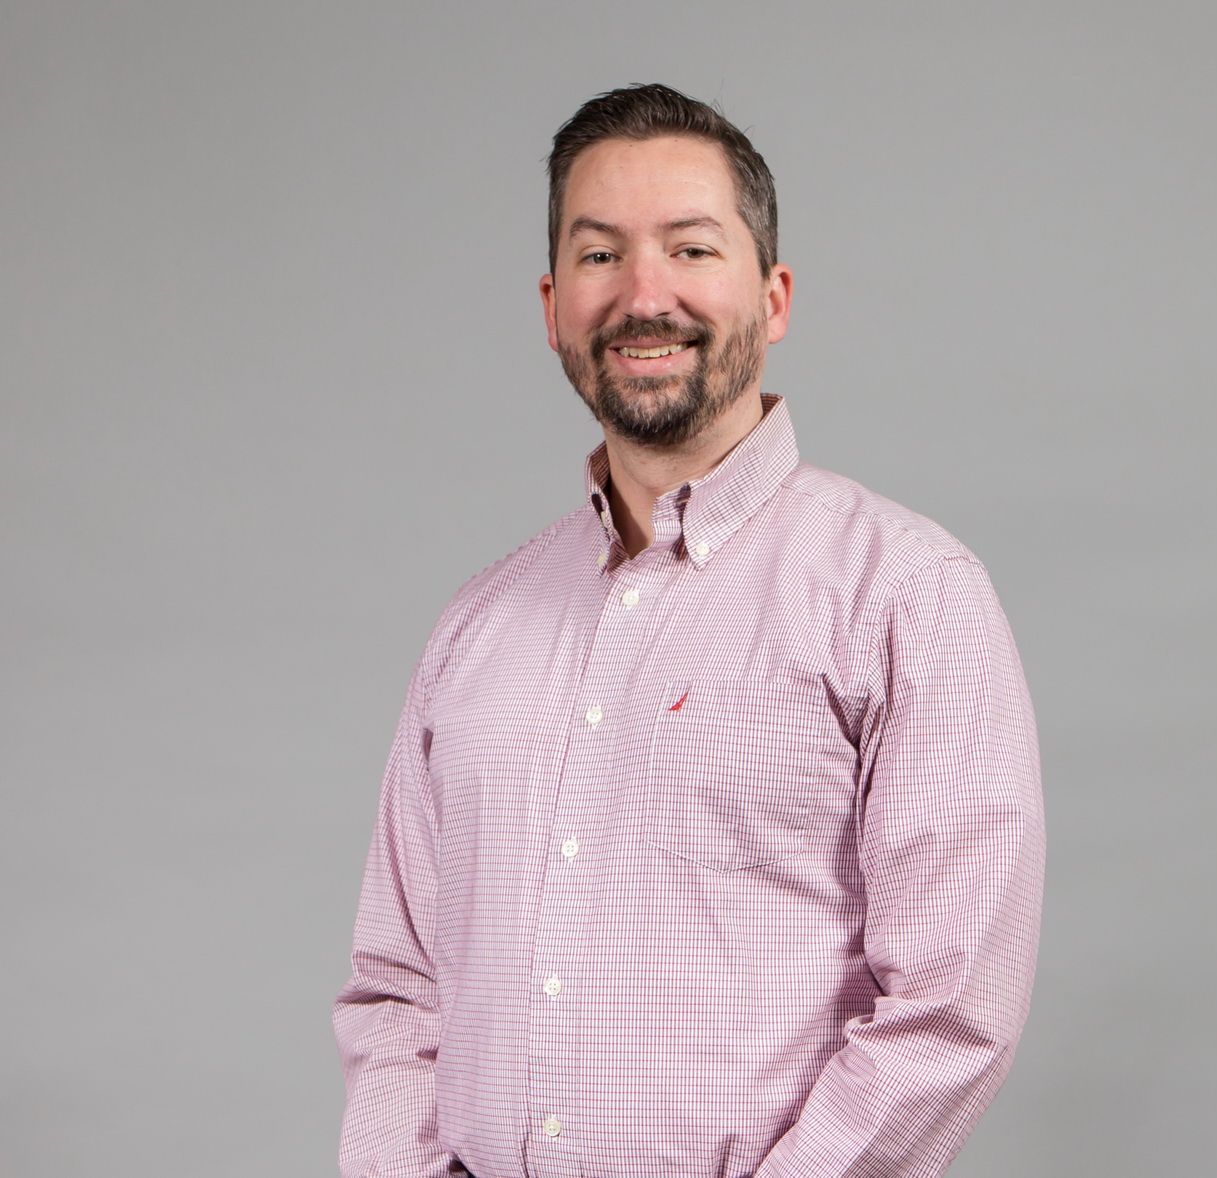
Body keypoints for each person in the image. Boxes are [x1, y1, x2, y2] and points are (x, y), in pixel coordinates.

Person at [333, 82, 1045, 1178]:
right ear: (552, 302)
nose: (644, 295)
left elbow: (953, 1006)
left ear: (775, 295)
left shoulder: (906, 593)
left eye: (692, 249)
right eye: (601, 254)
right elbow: (397, 989)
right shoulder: (476, 627)